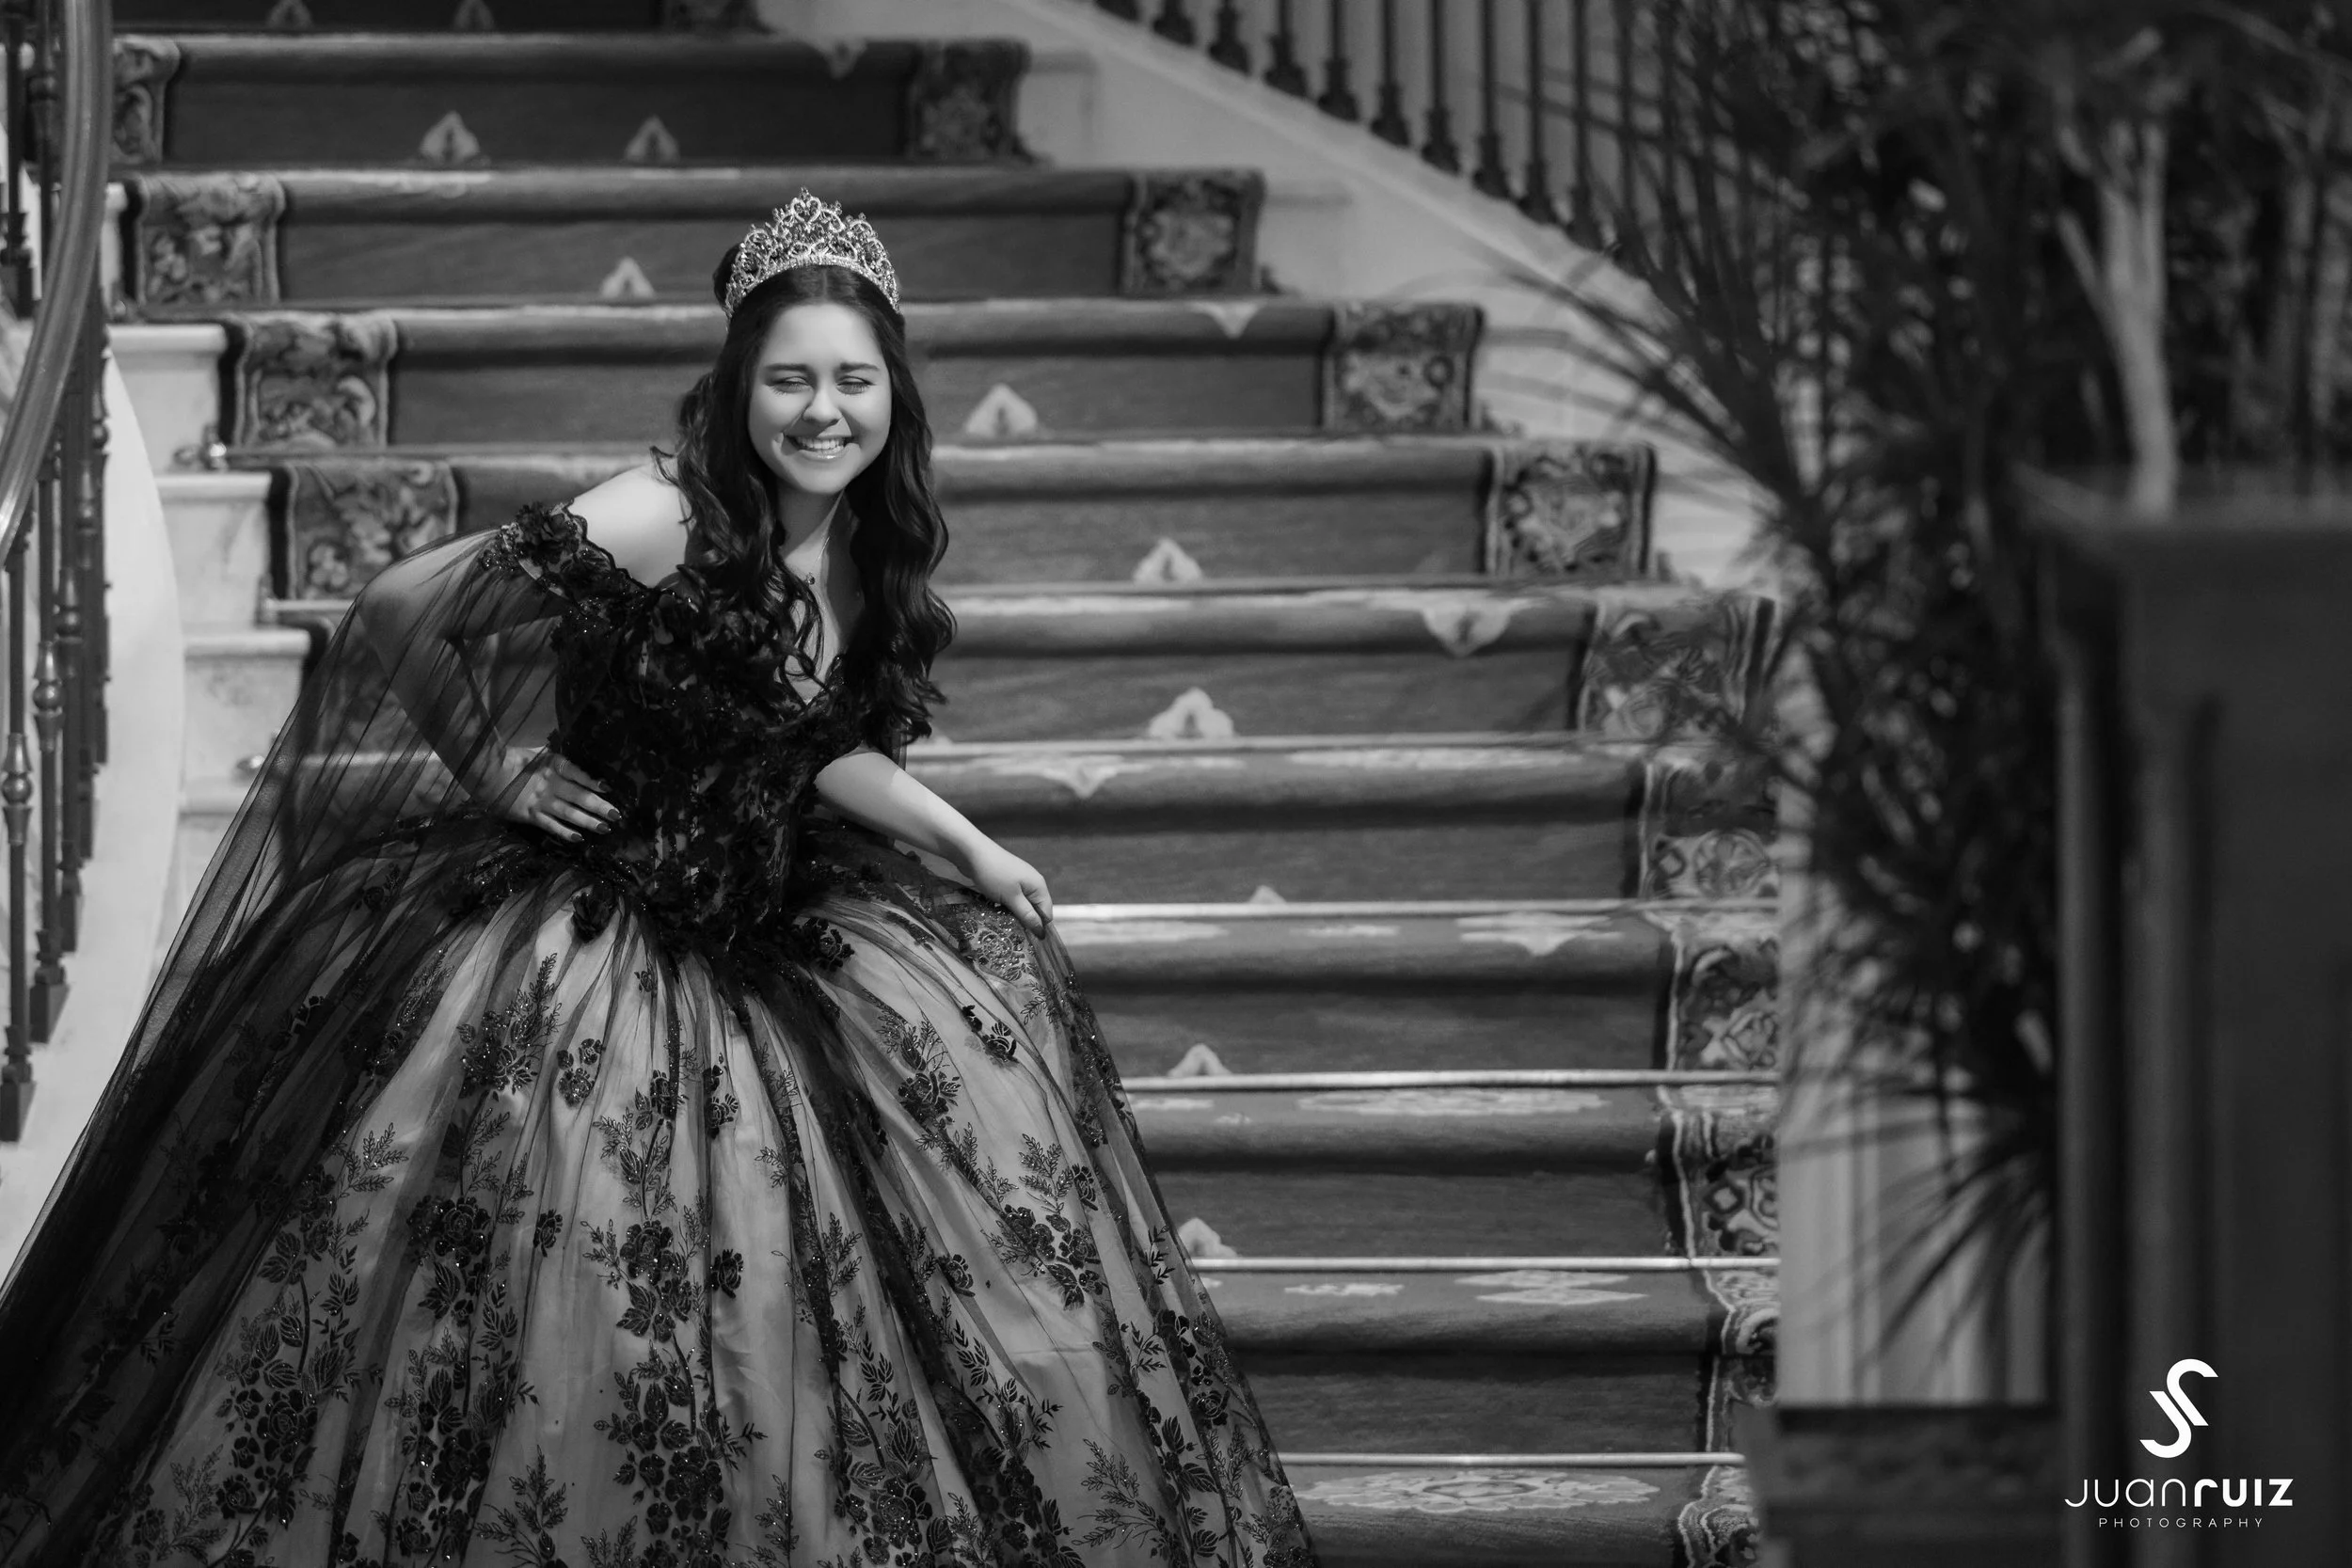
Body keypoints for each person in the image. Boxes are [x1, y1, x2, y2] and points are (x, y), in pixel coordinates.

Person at [0, 190, 1317, 1568]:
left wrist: (962, 840)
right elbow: (400, 608)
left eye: (853, 380)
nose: (824, 410)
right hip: (586, 929)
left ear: (894, 393)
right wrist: (497, 772)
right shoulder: (656, 511)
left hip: (764, 918)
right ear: (740, 382)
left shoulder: (863, 538)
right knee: (568, 1288)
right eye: (792, 378)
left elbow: (805, 739)